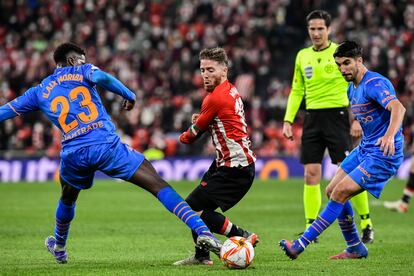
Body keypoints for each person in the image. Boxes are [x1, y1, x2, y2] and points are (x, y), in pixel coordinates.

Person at [0, 42, 222, 264]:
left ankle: (58, 246)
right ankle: (202, 231)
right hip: (105, 144)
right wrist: (128, 94)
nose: (84, 63)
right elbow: (102, 78)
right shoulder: (83, 70)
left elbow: (6, 111)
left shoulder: (38, 91)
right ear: (70, 61)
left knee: (68, 198)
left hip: (73, 154)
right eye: (81, 59)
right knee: (157, 184)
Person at [279, 40, 406, 260]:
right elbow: (366, 110)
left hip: (384, 153)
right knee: (331, 190)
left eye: (346, 63)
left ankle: (300, 245)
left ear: (359, 60)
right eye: (339, 64)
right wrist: (357, 122)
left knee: (339, 193)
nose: (342, 69)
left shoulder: (374, 82)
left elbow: (398, 107)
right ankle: (355, 247)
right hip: (366, 148)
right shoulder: (351, 87)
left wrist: (388, 135)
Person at [282, 10, 374, 243]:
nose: (316, 33)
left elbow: (357, 85)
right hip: (312, 117)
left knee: (348, 171)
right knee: (311, 173)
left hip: (339, 115)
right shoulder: (302, 56)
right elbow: (297, 90)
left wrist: (356, 119)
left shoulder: (340, 54)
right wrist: (288, 119)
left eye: (320, 28)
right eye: (312, 28)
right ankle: (310, 227)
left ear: (329, 30)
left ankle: (366, 223)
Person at [174, 47, 258, 265]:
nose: (205, 74)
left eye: (210, 69)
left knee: (190, 208)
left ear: (224, 70)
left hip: (234, 168)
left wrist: (186, 132)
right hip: (228, 163)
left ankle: (239, 236)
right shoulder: (230, 90)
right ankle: (202, 255)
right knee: (194, 207)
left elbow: (190, 137)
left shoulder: (214, 98)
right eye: (202, 69)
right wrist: (204, 120)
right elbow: (219, 121)